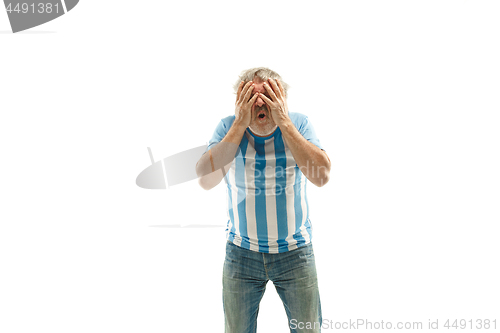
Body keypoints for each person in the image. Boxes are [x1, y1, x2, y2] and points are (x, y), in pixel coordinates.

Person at [195, 67, 331, 333]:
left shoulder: (299, 124)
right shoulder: (227, 127)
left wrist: (285, 122)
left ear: (282, 99)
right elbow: (205, 180)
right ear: (238, 100)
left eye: (268, 94)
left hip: (295, 252)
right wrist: (239, 124)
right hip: (241, 253)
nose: (259, 103)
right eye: (250, 95)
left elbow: (322, 176)